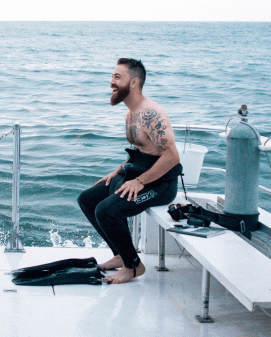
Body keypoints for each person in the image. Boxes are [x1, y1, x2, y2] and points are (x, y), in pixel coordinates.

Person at [78, 58, 183, 284]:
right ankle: (120, 254)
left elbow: (172, 157)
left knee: (106, 211)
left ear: (133, 83)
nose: (111, 82)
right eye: (112, 77)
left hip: (161, 184)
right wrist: (118, 171)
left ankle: (133, 266)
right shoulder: (130, 114)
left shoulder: (151, 114)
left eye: (117, 77)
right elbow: (141, 151)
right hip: (137, 174)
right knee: (87, 199)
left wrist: (141, 182)